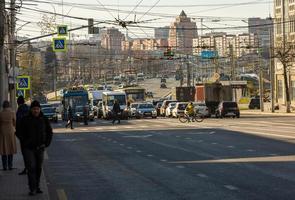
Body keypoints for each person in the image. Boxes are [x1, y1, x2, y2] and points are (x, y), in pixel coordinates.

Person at [18, 100, 53, 196]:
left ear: (40, 109)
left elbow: (49, 132)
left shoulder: (44, 119)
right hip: (28, 149)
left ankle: (37, 186)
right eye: (34, 109)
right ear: (31, 109)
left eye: (37, 109)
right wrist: (24, 142)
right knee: (31, 167)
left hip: (40, 148)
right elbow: (18, 132)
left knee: (38, 168)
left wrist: (46, 143)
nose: (36, 111)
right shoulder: (25, 119)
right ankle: (32, 188)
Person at [0, 101, 17, 171]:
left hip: (2, 132)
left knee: (3, 148)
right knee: (10, 147)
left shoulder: (0, 113)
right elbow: (15, 122)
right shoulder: (12, 113)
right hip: (10, 131)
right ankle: (10, 165)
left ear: (3, 106)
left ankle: (4, 166)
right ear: (9, 106)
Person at [15, 96, 29, 175]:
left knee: (24, 153)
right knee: (29, 152)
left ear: (18, 102)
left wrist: (18, 134)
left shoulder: (19, 110)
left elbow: (18, 123)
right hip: (29, 135)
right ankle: (30, 168)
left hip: (22, 135)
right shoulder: (28, 109)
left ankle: (27, 168)